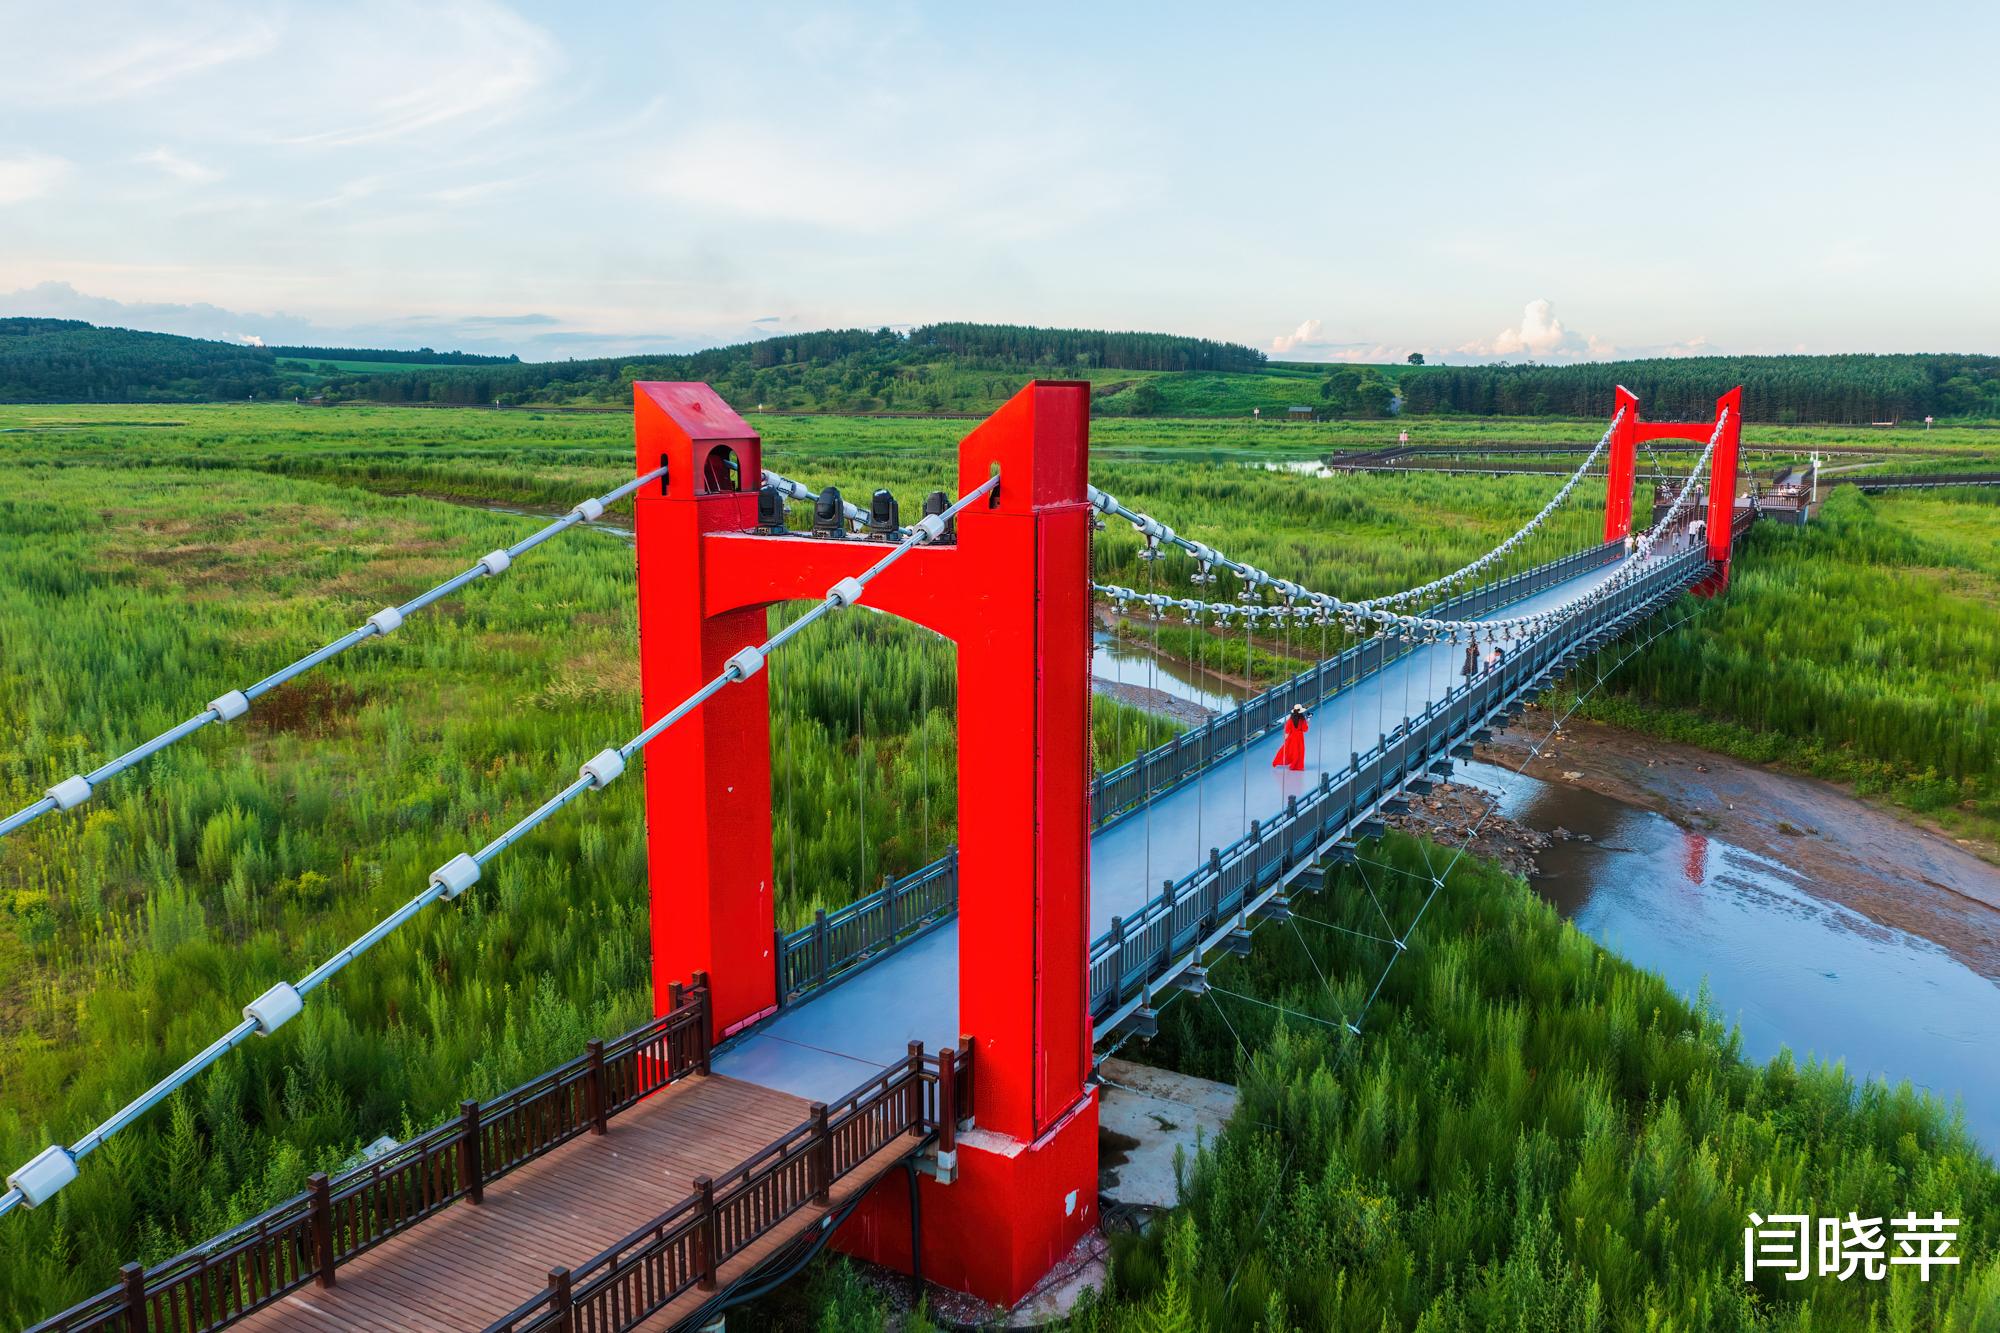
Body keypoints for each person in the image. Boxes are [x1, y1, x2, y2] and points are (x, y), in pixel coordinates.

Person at [1271, 704, 1309, 771]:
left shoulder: (1290, 720)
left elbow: (1287, 730)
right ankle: (1298, 766)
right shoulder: (1302, 720)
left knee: (1288, 750)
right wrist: (1307, 723)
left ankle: (1276, 762)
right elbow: (1305, 729)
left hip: (1292, 737)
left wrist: (1286, 738)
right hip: (1299, 737)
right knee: (1300, 751)